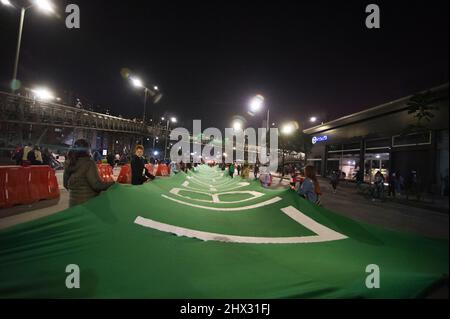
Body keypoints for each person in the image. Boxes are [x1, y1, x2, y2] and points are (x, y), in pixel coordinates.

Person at [63, 139, 114, 207]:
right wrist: (113, 184)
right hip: (87, 205)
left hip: (73, 205)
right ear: (87, 149)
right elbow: (96, 185)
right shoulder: (89, 163)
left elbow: (65, 184)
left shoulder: (69, 163)